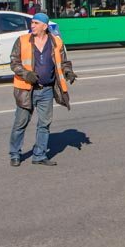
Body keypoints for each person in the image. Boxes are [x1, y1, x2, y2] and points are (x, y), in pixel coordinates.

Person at [9, 12, 76, 166]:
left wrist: (68, 72)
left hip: (46, 90)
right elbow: (14, 62)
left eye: (35, 23)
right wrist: (27, 74)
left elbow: (63, 62)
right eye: (32, 23)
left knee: (44, 124)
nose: (32, 26)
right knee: (20, 123)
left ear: (45, 26)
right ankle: (15, 154)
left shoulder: (56, 42)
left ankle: (39, 155)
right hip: (26, 90)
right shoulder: (22, 40)